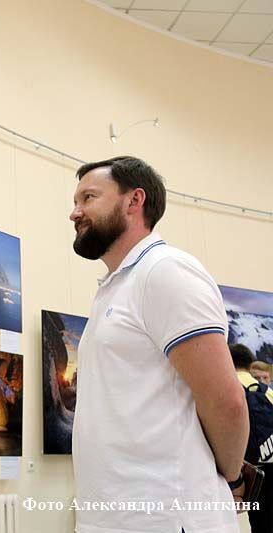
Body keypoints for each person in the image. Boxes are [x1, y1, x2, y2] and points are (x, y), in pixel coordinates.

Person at [69, 156, 249, 533]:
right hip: (114, 518)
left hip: (169, 517)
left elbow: (227, 402)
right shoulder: (114, 288)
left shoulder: (165, 271)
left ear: (134, 201)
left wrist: (231, 481)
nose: (75, 212)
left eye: (88, 197)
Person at [230, 343, 273, 532]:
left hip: (239, 468)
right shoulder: (268, 392)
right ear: (249, 364)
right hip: (269, 464)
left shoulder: (225, 389)